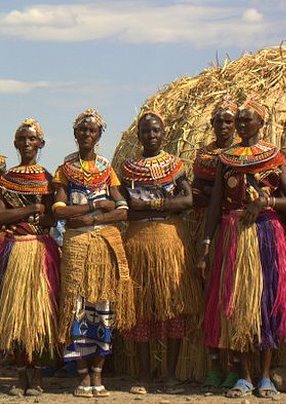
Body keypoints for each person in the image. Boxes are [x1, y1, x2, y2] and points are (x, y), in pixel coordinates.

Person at [199, 97, 286, 399]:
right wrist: (206, 242)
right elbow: (213, 205)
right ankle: (244, 377)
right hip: (233, 234)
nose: (241, 123)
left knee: (265, 304)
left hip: (265, 234)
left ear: (262, 123)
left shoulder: (275, 157)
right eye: (239, 119)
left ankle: (265, 378)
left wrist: (267, 201)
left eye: (248, 119)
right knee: (236, 306)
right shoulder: (227, 158)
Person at [52, 109, 134, 398]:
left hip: (104, 246)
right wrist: (95, 207)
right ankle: (82, 373)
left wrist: (89, 219)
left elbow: (123, 210)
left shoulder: (107, 168)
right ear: (75, 134)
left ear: (99, 136)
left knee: (102, 307)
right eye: (83, 130)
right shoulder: (65, 170)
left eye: (93, 130)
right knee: (77, 305)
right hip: (76, 247)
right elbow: (60, 210)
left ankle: (98, 372)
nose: (87, 134)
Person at [121, 109, 199, 395]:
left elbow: (187, 199)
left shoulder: (175, 166)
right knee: (141, 308)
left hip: (169, 241)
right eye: (145, 131)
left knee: (172, 307)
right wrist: (160, 204)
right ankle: (143, 374)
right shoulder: (128, 169)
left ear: (164, 133)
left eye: (155, 131)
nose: (151, 136)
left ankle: (170, 375)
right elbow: (124, 206)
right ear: (138, 135)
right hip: (138, 243)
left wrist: (153, 206)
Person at [0, 118, 59, 397]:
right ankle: (21, 376)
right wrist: (30, 208)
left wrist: (33, 212)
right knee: (16, 314)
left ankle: (37, 376)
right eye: (22, 139)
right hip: (16, 249)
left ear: (41, 144)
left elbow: (52, 216)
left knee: (40, 315)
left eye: (32, 139)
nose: (27, 143)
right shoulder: (6, 180)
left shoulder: (48, 178)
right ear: (15, 143)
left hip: (39, 250)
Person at [192, 96, 241, 390]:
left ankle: (236, 367)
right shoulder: (205, 157)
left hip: (237, 231)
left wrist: (213, 192)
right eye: (218, 121)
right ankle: (213, 365)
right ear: (211, 125)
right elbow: (197, 194)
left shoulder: (243, 155)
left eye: (228, 121)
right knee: (212, 299)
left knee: (234, 299)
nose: (223, 126)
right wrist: (215, 193)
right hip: (208, 229)